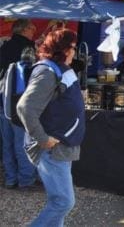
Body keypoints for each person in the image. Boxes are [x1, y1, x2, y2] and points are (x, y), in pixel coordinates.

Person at [17, 28, 86, 226]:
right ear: (62, 49)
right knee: (64, 202)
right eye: (72, 47)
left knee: (58, 202)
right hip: (52, 147)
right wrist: (43, 138)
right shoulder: (47, 72)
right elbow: (25, 108)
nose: (75, 51)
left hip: (62, 145)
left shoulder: (59, 68)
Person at [0, 18, 38, 190]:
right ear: (23, 30)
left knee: (7, 142)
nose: (33, 32)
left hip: (2, 101)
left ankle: (10, 179)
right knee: (22, 142)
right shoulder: (28, 49)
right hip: (19, 103)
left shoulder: (5, 46)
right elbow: (32, 76)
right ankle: (26, 180)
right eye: (31, 29)